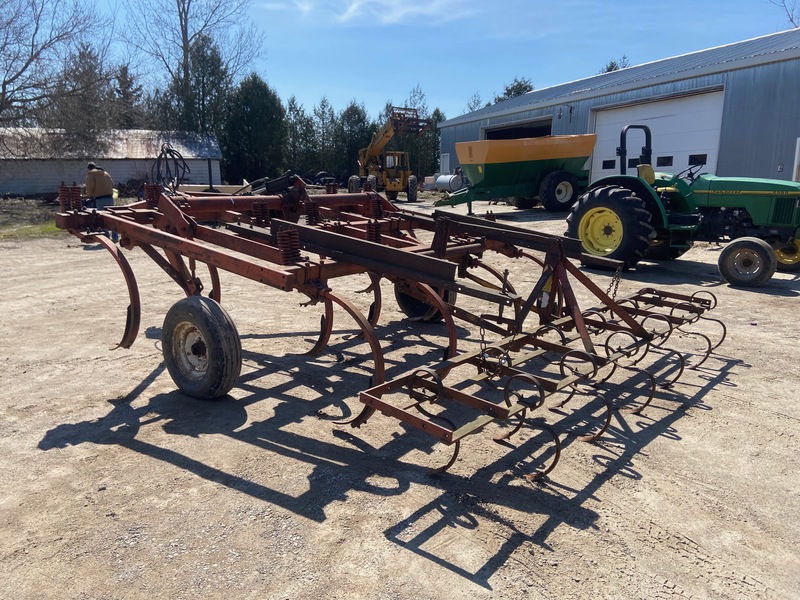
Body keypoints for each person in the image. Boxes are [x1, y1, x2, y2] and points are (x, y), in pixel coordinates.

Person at [84, 162, 117, 242]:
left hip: (100, 198)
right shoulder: (106, 173)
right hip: (110, 197)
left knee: (102, 218)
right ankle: (115, 236)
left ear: (89, 168)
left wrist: (89, 195)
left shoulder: (91, 175)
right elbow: (112, 184)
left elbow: (89, 187)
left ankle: (106, 236)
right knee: (112, 217)